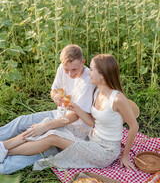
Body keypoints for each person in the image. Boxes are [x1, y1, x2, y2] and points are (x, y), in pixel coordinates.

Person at [0, 54, 139, 172]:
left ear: (102, 75)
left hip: (104, 152)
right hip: (91, 137)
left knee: (53, 137)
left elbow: (134, 127)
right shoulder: (97, 91)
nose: (88, 72)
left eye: (91, 69)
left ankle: (5, 149)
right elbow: (92, 123)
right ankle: (4, 147)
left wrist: (125, 155)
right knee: (48, 123)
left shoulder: (118, 98)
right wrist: (76, 108)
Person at [0, 44, 95, 174]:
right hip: (59, 114)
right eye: (67, 69)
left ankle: (3, 165)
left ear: (83, 62)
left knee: (37, 145)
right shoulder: (63, 68)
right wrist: (55, 96)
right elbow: (54, 90)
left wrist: (45, 126)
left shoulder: (87, 81)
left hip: (74, 126)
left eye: (74, 70)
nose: (70, 74)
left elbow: (75, 116)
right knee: (22, 121)